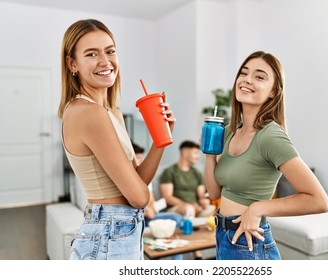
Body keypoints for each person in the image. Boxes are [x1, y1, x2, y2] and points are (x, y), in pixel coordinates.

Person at [58, 19, 176, 260]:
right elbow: (140, 197)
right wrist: (141, 195)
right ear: (72, 64)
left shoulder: (113, 113)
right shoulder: (88, 112)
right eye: (91, 54)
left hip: (120, 232)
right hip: (109, 234)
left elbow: (138, 180)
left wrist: (161, 137)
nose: (105, 61)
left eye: (110, 51)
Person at [203, 51, 328, 260]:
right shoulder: (229, 131)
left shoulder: (270, 135)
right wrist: (210, 153)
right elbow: (214, 193)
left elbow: (319, 200)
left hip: (249, 245)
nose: (247, 80)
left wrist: (258, 208)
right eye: (244, 73)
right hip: (224, 237)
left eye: (259, 76)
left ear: (273, 91)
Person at [159, 140, 215, 218]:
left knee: (212, 209)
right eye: (195, 153)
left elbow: (201, 195)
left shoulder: (197, 173)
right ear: (185, 152)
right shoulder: (169, 172)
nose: (198, 156)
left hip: (196, 208)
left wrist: (203, 201)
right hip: (177, 208)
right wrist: (190, 205)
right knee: (188, 209)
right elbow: (168, 198)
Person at [132, 142, 182, 227]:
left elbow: (151, 200)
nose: (142, 161)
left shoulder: (146, 176)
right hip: (136, 217)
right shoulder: (129, 178)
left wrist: (150, 209)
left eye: (142, 158)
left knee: (177, 218)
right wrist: (145, 212)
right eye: (138, 158)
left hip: (149, 215)